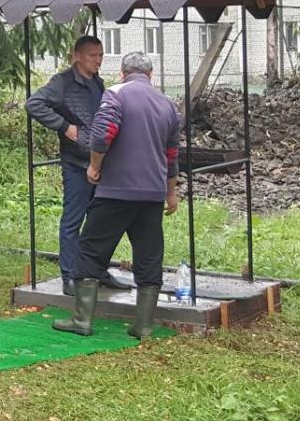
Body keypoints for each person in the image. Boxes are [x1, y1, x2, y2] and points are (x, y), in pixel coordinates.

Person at [53, 51, 182, 340]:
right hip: (152, 195)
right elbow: (172, 155)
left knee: (91, 250)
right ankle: (143, 325)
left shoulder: (115, 94)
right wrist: (170, 194)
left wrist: (94, 167)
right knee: (149, 256)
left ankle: (82, 320)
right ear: (151, 75)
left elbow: (102, 135)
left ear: (123, 73)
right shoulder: (168, 104)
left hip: (115, 192)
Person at [24, 36, 131, 295]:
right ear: (77, 56)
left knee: (101, 222)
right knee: (73, 220)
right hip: (76, 163)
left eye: (101, 55)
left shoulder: (98, 83)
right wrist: (64, 126)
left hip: (100, 162)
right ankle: (69, 275)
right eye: (93, 55)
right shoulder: (62, 83)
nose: (98, 60)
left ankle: (97, 271)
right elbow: (33, 104)